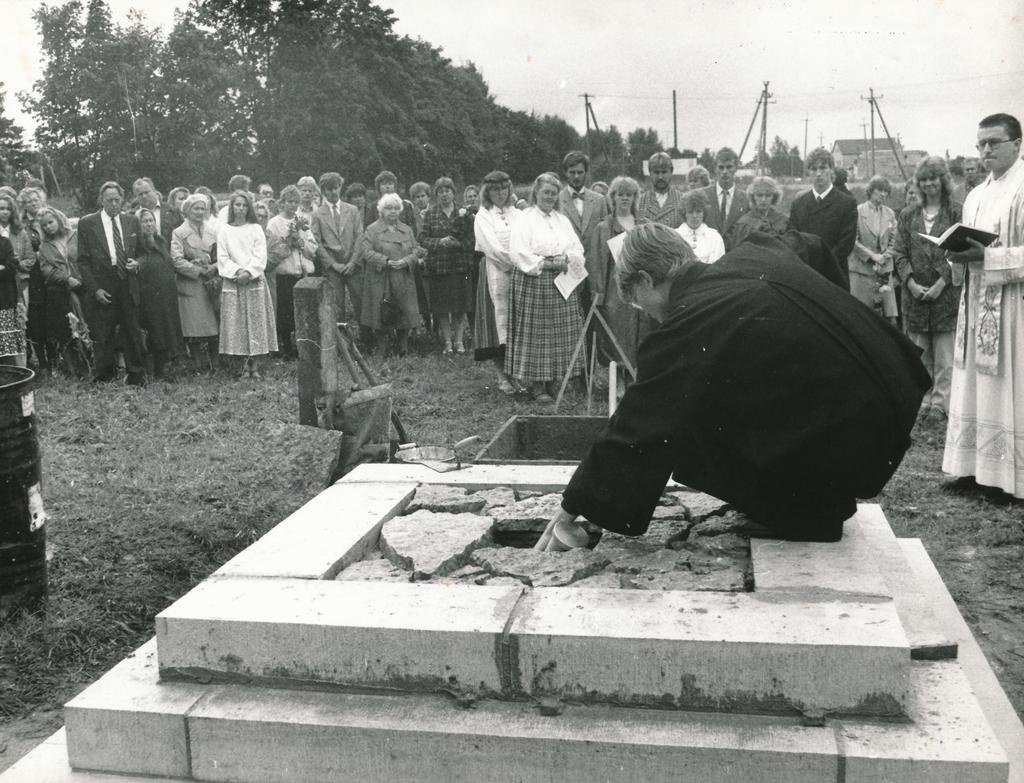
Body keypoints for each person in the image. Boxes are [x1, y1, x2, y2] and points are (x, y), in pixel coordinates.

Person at [534, 223, 930, 551]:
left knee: (685, 430)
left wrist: (573, 508)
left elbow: (642, 419)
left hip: (857, 438)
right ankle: (808, 502)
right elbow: (811, 242)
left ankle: (803, 514)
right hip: (892, 388)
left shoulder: (692, 318)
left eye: (639, 303)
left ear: (647, 279)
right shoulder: (755, 251)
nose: (649, 316)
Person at [943, 112, 1024, 500]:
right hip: (974, 302)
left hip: (1012, 307)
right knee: (972, 381)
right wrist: (954, 254)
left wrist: (987, 258)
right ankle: (970, 468)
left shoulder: (1023, 188)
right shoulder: (975, 194)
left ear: (1017, 143)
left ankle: (1005, 477)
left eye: (994, 142)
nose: (986, 150)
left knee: (1005, 384)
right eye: (981, 144)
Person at [506, 172, 586, 402]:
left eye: (553, 193)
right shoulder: (525, 218)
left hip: (561, 280)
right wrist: (547, 263)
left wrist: (568, 259)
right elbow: (518, 251)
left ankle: (553, 381)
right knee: (538, 334)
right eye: (546, 193)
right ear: (536, 193)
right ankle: (537, 385)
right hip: (535, 279)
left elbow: (576, 247)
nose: (549, 197)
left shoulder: (562, 220)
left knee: (559, 333)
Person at [892, 157, 962, 420]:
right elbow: (899, 253)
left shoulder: (957, 212)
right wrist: (909, 283)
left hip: (945, 297)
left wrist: (941, 283)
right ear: (917, 184)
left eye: (934, 177)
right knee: (920, 354)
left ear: (943, 180)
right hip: (915, 297)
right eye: (923, 179)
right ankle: (923, 401)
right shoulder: (908, 215)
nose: (929, 183)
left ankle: (941, 404)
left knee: (945, 356)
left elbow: (959, 252)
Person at [77, 181, 148, 386]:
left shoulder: (131, 221)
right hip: (103, 283)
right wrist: (95, 289)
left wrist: (138, 263)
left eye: (117, 199)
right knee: (104, 332)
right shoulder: (88, 223)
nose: (114, 204)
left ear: (122, 199)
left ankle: (136, 375)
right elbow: (82, 260)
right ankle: (105, 377)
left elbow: (143, 253)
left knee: (132, 331)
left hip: (127, 282)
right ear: (101, 200)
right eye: (110, 200)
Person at [216, 191, 277, 378]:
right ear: (231, 207)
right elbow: (222, 257)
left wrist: (249, 272)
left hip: (253, 281)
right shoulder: (225, 230)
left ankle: (256, 367)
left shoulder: (256, 229)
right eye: (237, 205)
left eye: (244, 205)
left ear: (248, 208)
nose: (240, 209)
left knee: (256, 322)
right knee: (237, 324)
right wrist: (237, 272)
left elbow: (260, 255)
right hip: (234, 282)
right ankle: (243, 367)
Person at [590, 175, 649, 370]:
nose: (625, 198)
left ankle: (637, 377)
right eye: (620, 194)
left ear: (635, 197)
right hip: (614, 293)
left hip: (641, 288)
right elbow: (597, 264)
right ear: (613, 197)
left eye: (629, 195)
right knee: (616, 333)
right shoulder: (603, 227)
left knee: (642, 333)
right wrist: (597, 296)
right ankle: (620, 380)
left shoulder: (645, 225)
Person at [357, 192, 425, 357]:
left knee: (405, 313)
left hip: (403, 278)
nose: (393, 211)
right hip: (381, 278)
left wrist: (407, 260)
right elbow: (365, 252)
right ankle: (382, 349)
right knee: (381, 313)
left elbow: (417, 249)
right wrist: (385, 261)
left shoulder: (407, 229)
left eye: (396, 208)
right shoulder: (372, 229)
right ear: (381, 210)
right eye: (388, 208)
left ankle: (403, 348)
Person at [473, 170, 521, 395]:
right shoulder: (483, 215)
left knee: (515, 324)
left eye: (504, 188)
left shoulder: (517, 213)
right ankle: (502, 375)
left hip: (519, 273)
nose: (500, 193)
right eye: (495, 189)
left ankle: (515, 374)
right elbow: (490, 246)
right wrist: (512, 262)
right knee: (496, 324)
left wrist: (523, 262)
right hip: (495, 270)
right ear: (487, 192)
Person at [786, 147, 857, 290]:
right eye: (813, 169)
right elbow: (792, 239)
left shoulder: (846, 203)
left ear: (832, 170)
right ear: (808, 173)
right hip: (805, 276)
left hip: (834, 277)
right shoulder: (798, 204)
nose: (818, 173)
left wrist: (823, 266)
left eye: (823, 168)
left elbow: (846, 243)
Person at [419, 177, 473, 354]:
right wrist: (439, 242)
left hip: (460, 266)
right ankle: (447, 342)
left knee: (460, 306)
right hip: (439, 266)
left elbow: (472, 239)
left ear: (453, 193)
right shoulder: (431, 214)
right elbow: (423, 239)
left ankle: (459, 341)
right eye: (441, 191)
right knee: (442, 308)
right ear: (436, 194)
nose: (444, 195)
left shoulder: (463, 213)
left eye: (447, 191)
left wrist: (459, 245)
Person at [170, 194, 221, 374]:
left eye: (203, 208)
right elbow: (176, 260)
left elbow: (221, 256)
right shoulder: (178, 233)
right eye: (196, 208)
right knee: (194, 328)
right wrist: (197, 270)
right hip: (191, 285)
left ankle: (215, 364)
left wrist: (213, 268)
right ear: (187, 210)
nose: (200, 212)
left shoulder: (213, 231)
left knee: (214, 326)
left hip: (211, 284)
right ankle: (199, 365)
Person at [35, 207, 89, 376]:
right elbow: (47, 271)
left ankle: (90, 365)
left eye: (50, 222)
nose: (48, 227)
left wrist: (79, 278)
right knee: (65, 331)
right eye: (44, 226)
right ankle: (73, 370)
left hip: (82, 288)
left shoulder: (75, 236)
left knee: (86, 325)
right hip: (60, 292)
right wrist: (67, 279)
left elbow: (86, 258)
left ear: (59, 219)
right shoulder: (44, 246)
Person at [266, 184, 316, 355]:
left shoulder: (301, 220)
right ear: (282, 203)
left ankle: (302, 345)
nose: (293, 205)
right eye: (289, 201)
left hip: (301, 271)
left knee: (302, 311)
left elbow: (312, 245)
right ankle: (286, 347)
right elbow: (271, 248)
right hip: (284, 273)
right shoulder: (274, 223)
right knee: (285, 311)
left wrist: (302, 244)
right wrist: (287, 244)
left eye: (296, 202)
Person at [557, 151, 609, 309]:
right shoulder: (556, 200)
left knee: (593, 314)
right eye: (572, 172)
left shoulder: (599, 200)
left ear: (586, 173)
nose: (576, 176)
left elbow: (605, 235)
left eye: (580, 172)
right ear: (565, 172)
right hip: (567, 268)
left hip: (594, 268)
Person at [136, 208, 184, 379]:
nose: (149, 224)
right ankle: (153, 370)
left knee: (167, 329)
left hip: (167, 293)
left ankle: (164, 367)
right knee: (154, 331)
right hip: (149, 295)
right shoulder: (137, 245)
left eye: (151, 221)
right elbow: (139, 263)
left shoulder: (161, 241)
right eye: (145, 221)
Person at [313, 172, 363, 323]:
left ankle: (367, 339)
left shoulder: (352, 210)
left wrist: (353, 262)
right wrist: (333, 264)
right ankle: (341, 342)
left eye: (336, 188)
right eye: (329, 189)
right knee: (337, 304)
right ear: (323, 191)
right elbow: (317, 242)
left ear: (340, 187)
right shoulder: (318, 214)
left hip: (353, 264)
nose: (333, 192)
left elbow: (360, 237)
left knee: (360, 300)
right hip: (333, 267)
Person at [850, 175, 899, 324]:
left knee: (890, 318)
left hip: (884, 270)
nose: (883, 194)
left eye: (886, 191)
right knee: (862, 317)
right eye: (880, 190)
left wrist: (885, 256)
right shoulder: (858, 211)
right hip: (861, 270)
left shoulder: (890, 213)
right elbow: (853, 240)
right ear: (871, 191)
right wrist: (873, 256)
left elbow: (894, 240)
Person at [0, 192, 32, 364]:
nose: (4, 212)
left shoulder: (20, 232)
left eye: (8, 209)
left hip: (20, 284)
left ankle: (22, 367)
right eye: (1, 209)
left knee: (19, 325)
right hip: (2, 286)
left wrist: (16, 262)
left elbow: (30, 259)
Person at [698, 147, 749, 247]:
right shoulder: (701, 196)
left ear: (736, 168)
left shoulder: (746, 199)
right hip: (708, 253)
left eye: (729, 167)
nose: (725, 171)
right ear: (715, 168)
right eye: (721, 167)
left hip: (735, 254)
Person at [728, 176, 788, 247]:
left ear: (774, 197)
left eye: (768, 195)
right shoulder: (744, 223)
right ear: (753, 197)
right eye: (759, 195)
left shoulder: (783, 220)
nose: (763, 199)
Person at [637, 152, 686, 229]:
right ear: (650, 173)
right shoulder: (640, 201)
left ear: (671, 172)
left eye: (664, 172)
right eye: (656, 172)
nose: (660, 177)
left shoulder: (683, 200)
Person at [675, 192, 725, 264]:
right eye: (690, 212)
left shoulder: (715, 237)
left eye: (698, 211)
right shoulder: (675, 236)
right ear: (684, 213)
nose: (694, 216)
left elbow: (716, 265)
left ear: (704, 213)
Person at [0, 232, 24, 366]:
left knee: (7, 345)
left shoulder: (4, 242)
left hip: (3, 301)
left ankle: (10, 380)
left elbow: (11, 268)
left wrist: (5, 268)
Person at [132, 177, 177, 242]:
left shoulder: (172, 211)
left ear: (154, 191)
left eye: (146, 192)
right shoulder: (133, 215)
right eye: (140, 194)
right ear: (136, 196)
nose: (144, 196)